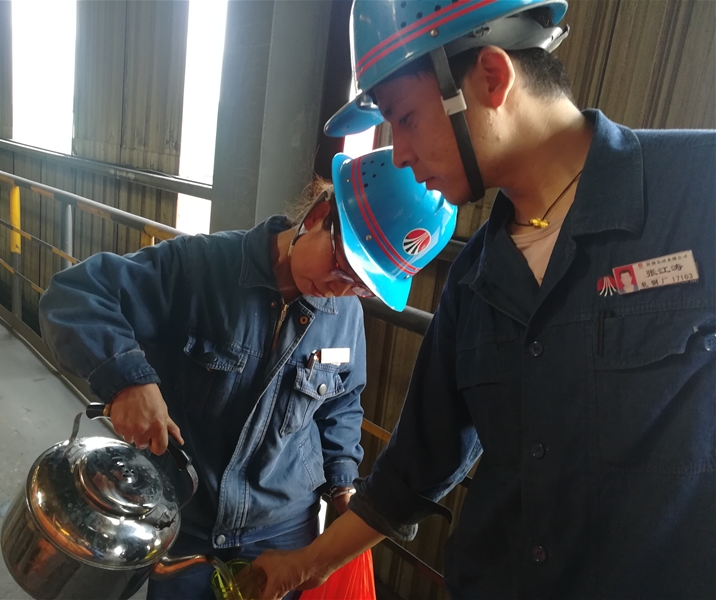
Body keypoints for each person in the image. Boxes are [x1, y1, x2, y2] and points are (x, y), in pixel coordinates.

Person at [254, 1, 716, 598]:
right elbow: (414, 469)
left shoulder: (697, 190)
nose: (399, 153)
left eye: (406, 118)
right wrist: (303, 565)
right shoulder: (474, 282)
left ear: (492, 78)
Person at [37, 147, 457, 600]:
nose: (341, 289)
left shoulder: (345, 314)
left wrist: (343, 484)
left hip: (282, 533)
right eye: (342, 266)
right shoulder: (199, 269)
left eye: (363, 285)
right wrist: (129, 380)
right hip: (186, 522)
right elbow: (74, 296)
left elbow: (340, 405)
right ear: (318, 216)